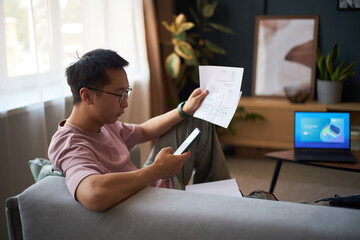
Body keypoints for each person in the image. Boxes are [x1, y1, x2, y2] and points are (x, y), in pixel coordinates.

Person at [48, 49, 231, 211]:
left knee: (196, 118)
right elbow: (93, 194)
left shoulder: (103, 123)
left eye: (126, 93)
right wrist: (157, 170)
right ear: (87, 96)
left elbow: (144, 131)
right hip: (152, 201)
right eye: (119, 95)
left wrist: (183, 109)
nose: (125, 103)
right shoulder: (69, 144)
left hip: (152, 183)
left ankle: (226, 200)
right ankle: (227, 208)